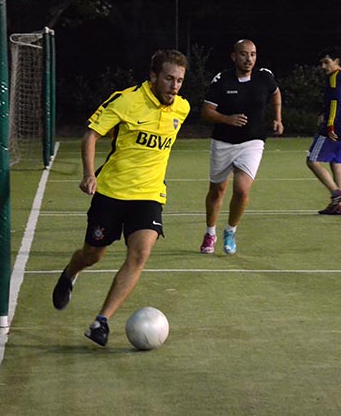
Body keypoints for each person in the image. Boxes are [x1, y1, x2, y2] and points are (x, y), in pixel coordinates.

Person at [52, 49, 190, 347]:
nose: (174, 86)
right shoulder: (125, 101)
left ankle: (101, 321)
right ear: (153, 76)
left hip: (150, 195)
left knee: (139, 254)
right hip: (111, 193)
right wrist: (89, 175)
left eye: (179, 80)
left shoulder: (182, 108)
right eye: (168, 79)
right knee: (93, 255)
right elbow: (90, 136)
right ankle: (69, 273)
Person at [199, 39, 283, 255]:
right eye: (244, 54)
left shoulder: (265, 76)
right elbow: (207, 112)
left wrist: (278, 117)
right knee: (217, 191)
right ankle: (210, 233)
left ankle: (230, 230)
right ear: (234, 56)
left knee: (242, 190)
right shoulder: (222, 80)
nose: (249, 59)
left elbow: (275, 93)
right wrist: (227, 119)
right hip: (223, 142)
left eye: (253, 54)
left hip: (252, 142)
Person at [306, 46, 341, 215]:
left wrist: (330, 124)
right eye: (321, 63)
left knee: (312, 160)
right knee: (337, 163)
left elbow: (335, 102)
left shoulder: (334, 78)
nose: (323, 67)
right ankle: (337, 206)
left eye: (327, 62)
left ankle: (336, 193)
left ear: (337, 62)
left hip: (335, 128)